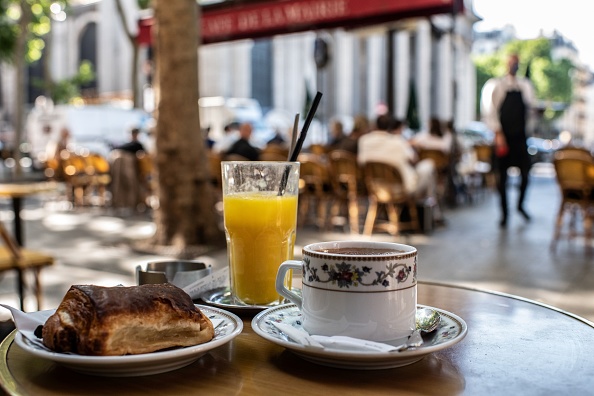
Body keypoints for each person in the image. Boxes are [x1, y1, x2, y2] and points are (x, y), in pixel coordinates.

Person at [483, 53, 536, 227]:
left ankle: (520, 206)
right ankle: (504, 214)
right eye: (512, 62)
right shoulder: (496, 85)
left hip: (520, 138)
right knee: (501, 178)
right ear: (506, 64)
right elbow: (490, 111)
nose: (514, 66)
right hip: (503, 138)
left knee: (526, 174)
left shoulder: (525, 85)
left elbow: (531, 108)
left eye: (517, 63)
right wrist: (498, 134)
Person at [358, 114, 438, 203]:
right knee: (428, 165)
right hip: (400, 189)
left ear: (375, 126)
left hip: (374, 187)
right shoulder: (398, 141)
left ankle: (428, 206)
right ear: (390, 127)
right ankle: (429, 208)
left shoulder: (364, 141)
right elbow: (414, 159)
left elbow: (361, 162)